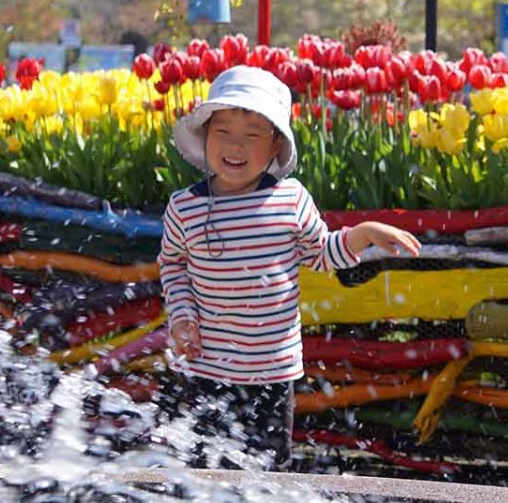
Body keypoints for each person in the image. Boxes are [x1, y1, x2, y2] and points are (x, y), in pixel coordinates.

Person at [157, 65, 420, 469]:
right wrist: (181, 318)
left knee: (268, 473)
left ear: (276, 144)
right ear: (206, 135)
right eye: (223, 131)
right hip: (207, 367)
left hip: (272, 373)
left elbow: (321, 253)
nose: (236, 145)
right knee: (204, 471)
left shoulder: (290, 200)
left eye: (252, 135)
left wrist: (361, 234)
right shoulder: (185, 207)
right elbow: (173, 266)